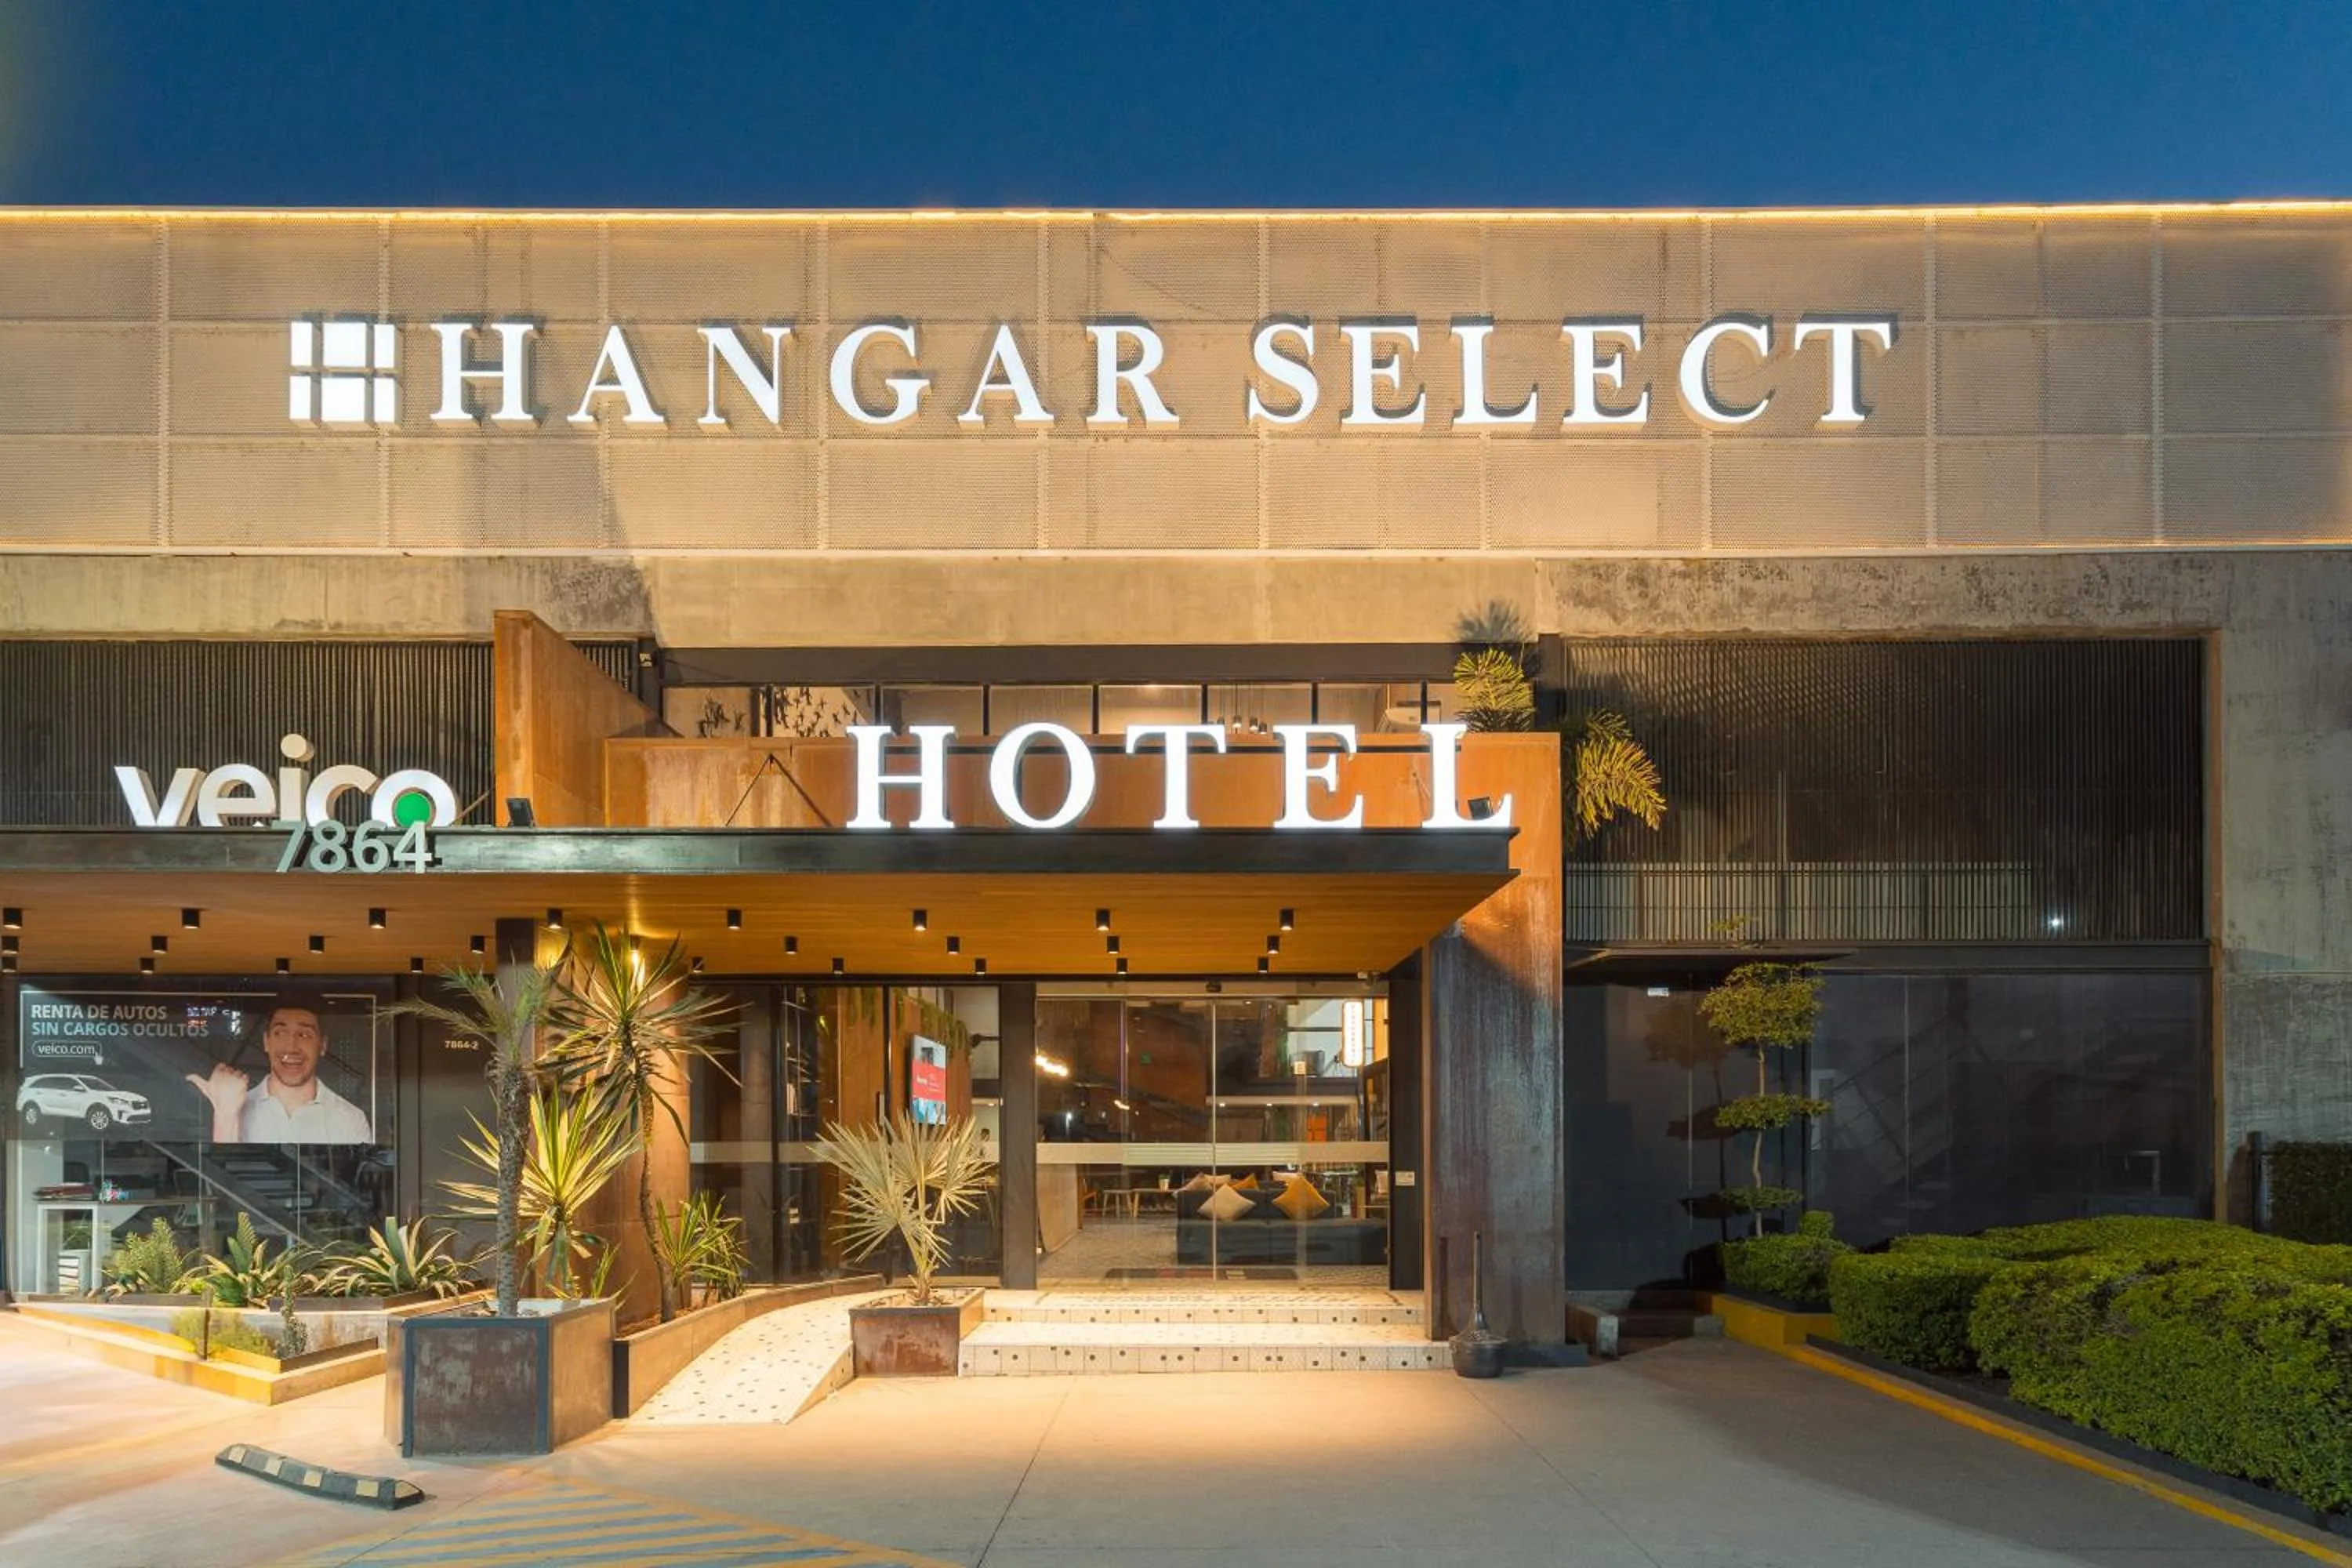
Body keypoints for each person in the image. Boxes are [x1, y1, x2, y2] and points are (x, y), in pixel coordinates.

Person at [184, 996, 371, 1144]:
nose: (291, 1046)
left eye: (304, 1034)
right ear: (266, 1042)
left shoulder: (350, 1119)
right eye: (280, 1033)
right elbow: (219, 1184)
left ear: (322, 1046)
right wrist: (226, 1113)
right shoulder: (231, 1107)